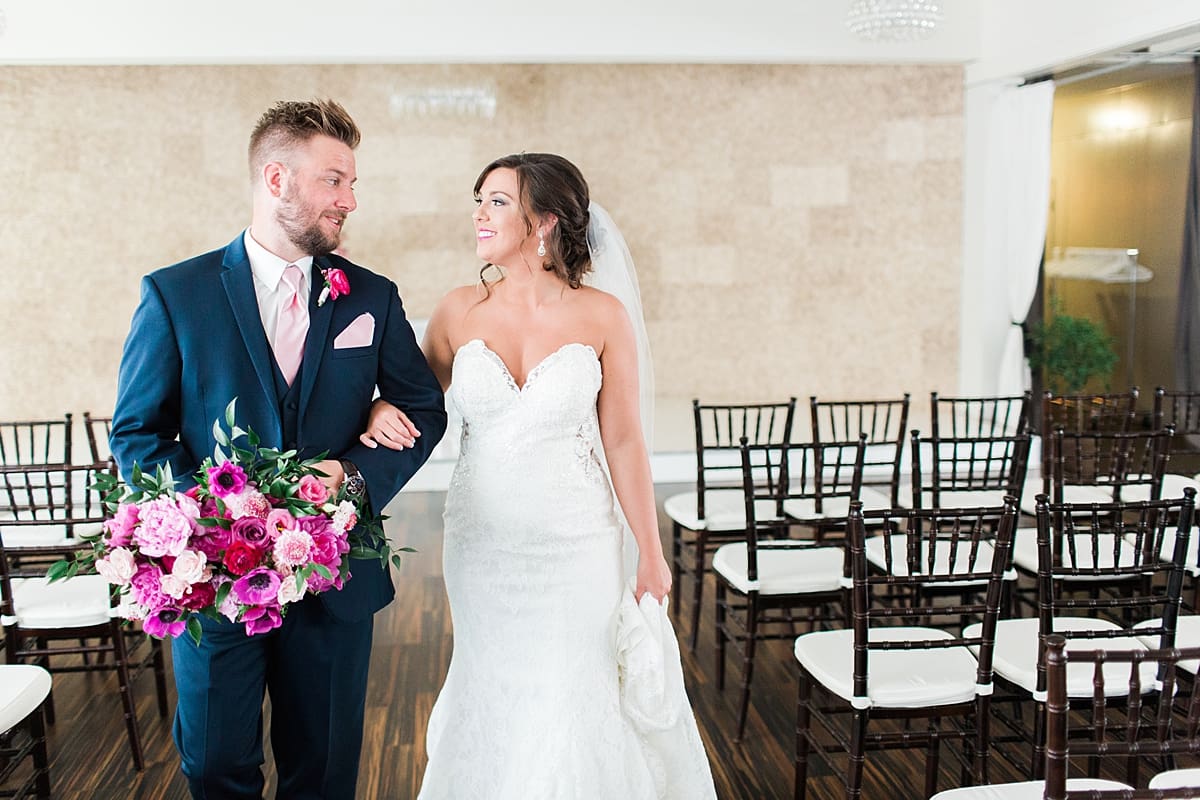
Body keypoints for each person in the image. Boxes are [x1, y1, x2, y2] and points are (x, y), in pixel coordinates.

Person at [109, 98, 446, 799]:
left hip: (334, 579)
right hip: (214, 583)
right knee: (213, 764)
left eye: (352, 184)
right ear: (275, 179)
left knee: (323, 772)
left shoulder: (370, 299)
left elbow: (423, 407)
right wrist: (208, 517)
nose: (349, 200)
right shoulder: (177, 294)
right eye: (334, 180)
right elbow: (138, 433)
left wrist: (353, 475)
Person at [364, 153, 716, 798]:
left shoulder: (602, 314)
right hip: (483, 546)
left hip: (576, 545)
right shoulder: (457, 311)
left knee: (570, 688)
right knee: (489, 680)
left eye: (497, 201)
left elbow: (626, 439)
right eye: (479, 198)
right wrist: (384, 405)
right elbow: (415, 401)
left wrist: (651, 552)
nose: (478, 213)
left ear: (545, 220)